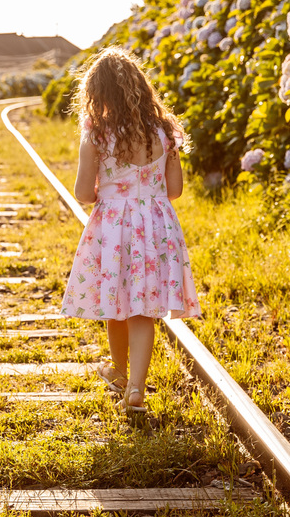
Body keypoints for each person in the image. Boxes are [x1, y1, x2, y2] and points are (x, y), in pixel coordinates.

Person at [60, 47, 201, 418]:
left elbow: (82, 192)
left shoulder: (97, 132)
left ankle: (120, 373)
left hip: (114, 226)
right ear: (140, 86)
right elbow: (174, 190)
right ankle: (134, 387)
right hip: (155, 225)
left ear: (98, 93)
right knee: (143, 308)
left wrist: (108, 191)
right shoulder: (165, 131)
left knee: (117, 301)